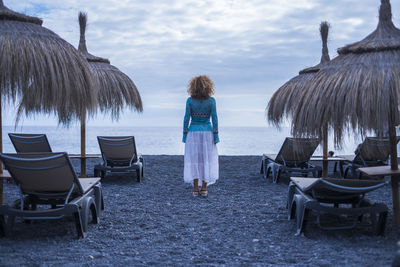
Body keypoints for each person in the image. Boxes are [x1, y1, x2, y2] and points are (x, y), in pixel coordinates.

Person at [182, 75, 219, 197]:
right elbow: (215, 119)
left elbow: (186, 118)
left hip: (193, 133)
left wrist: (184, 135)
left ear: (193, 87)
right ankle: (204, 188)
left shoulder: (190, 100)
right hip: (207, 133)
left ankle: (194, 189)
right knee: (206, 160)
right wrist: (216, 136)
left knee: (194, 160)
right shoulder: (211, 101)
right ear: (208, 86)